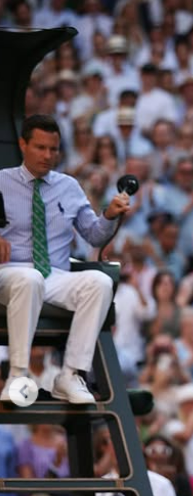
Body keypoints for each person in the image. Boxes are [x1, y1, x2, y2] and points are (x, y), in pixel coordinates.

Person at [0, 114, 131, 403]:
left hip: (53, 274)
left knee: (100, 282)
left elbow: (94, 235)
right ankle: (17, 375)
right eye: (40, 147)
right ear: (23, 145)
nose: (48, 156)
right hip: (9, 273)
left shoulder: (68, 186)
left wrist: (109, 215)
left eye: (53, 149)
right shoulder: (1, 182)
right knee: (29, 279)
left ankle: (70, 375)